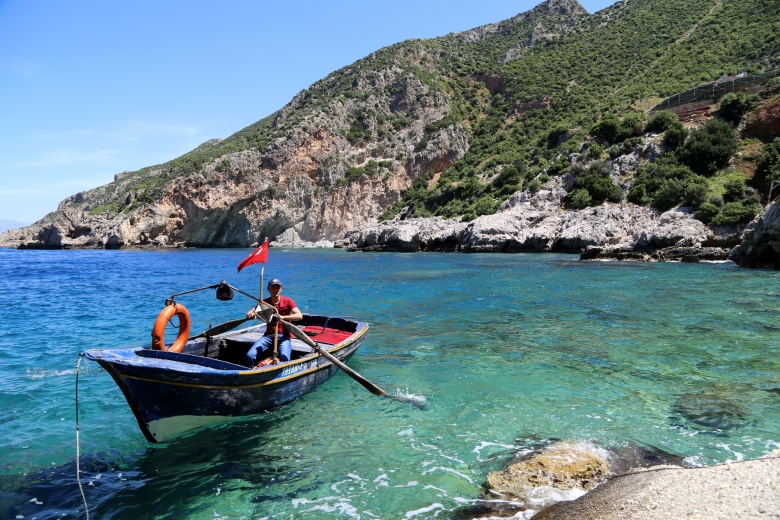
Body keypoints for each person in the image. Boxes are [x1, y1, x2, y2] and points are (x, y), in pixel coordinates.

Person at [244, 278, 302, 368]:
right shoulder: (265, 303)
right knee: (250, 355)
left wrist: (282, 317)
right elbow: (251, 313)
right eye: (273, 287)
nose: (275, 290)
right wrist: (250, 315)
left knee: (285, 359)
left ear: (281, 289)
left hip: (284, 336)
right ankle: (249, 374)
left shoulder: (287, 301)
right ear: (268, 289)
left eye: (277, 287)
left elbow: (299, 315)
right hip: (268, 336)